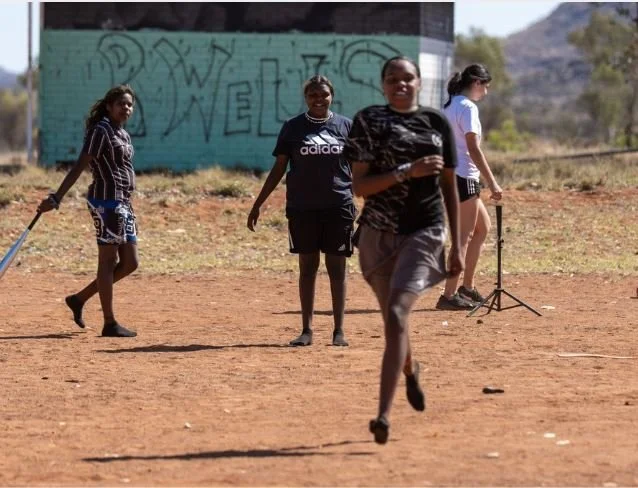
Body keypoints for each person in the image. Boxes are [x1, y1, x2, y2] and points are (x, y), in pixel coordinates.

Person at [343, 56, 463, 444]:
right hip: (378, 235)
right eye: (392, 78)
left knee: (397, 313)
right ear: (383, 85)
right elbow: (359, 188)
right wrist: (405, 172)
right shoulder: (368, 121)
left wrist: (457, 244)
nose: (401, 84)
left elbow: (449, 186)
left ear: (419, 81)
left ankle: (382, 415)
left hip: (425, 232)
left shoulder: (436, 122)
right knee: (393, 322)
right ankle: (410, 370)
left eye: (407, 77)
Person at [247, 75, 355, 347]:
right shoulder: (293, 128)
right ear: (306, 98)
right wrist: (258, 202)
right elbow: (279, 168)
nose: (319, 100)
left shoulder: (346, 126)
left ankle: (339, 330)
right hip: (303, 208)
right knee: (307, 268)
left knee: (337, 269)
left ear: (332, 96)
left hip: (338, 206)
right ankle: (306, 330)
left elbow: (360, 167)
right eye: (313, 95)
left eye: (324, 95)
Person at [37, 85, 139, 338]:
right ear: (108, 106)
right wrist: (57, 197)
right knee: (108, 262)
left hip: (123, 203)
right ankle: (109, 322)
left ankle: (79, 299)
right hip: (106, 203)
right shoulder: (101, 130)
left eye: (129, 105)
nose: (125, 108)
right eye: (120, 104)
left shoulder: (122, 134)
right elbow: (79, 166)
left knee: (130, 263)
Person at [436, 64, 503, 310]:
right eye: (485, 86)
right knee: (462, 238)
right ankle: (448, 295)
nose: (486, 91)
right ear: (476, 82)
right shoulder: (467, 107)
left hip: (452, 176)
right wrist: (493, 182)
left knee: (482, 229)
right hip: (463, 177)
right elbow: (474, 149)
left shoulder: (449, 106)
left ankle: (467, 287)